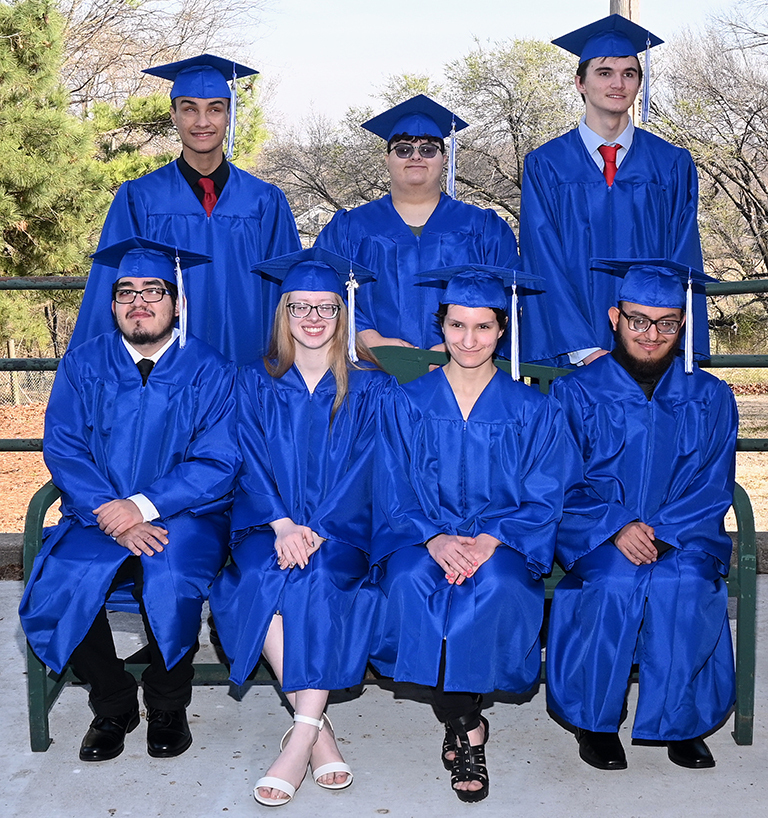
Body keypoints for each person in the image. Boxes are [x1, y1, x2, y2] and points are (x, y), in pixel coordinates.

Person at [19, 238, 241, 762]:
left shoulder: (210, 369)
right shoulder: (83, 363)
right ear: (112, 303)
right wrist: (111, 511)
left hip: (183, 514)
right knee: (62, 581)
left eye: (153, 290)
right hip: (95, 512)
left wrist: (141, 507)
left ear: (178, 301)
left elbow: (218, 460)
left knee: (170, 578)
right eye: (126, 292)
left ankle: (168, 703)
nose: (139, 302)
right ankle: (113, 701)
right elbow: (65, 446)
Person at [370, 266, 569, 802]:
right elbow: (389, 483)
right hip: (421, 535)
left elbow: (548, 491)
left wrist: (493, 538)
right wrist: (433, 537)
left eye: (483, 327)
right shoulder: (405, 402)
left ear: (503, 330)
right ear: (442, 327)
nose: (469, 340)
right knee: (412, 579)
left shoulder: (532, 408)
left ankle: (460, 724)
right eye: (457, 326)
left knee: (496, 586)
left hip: (504, 540)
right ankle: (468, 725)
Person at [209, 249, 395, 807]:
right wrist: (284, 523)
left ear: (344, 315)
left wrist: (317, 528)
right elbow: (243, 458)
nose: (313, 319)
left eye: (326, 308)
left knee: (315, 582)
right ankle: (317, 730)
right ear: (283, 315)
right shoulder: (252, 382)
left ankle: (298, 742)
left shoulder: (372, 389)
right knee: (257, 581)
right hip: (267, 525)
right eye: (300, 308)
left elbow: (369, 467)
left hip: (341, 531)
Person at [547, 260, 737, 771]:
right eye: (638, 320)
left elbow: (713, 483)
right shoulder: (575, 392)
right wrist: (616, 525)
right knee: (613, 582)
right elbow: (560, 483)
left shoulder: (711, 397)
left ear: (682, 324)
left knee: (686, 583)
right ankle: (597, 722)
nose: (652, 335)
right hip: (602, 536)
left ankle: (682, 721)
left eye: (667, 322)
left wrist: (667, 532)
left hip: (685, 534)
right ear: (615, 317)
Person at [70, 54, 300, 365]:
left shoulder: (264, 201)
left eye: (215, 109)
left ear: (229, 115)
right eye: (189, 109)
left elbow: (287, 294)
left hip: (247, 369)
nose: (202, 122)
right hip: (164, 372)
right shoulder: (140, 198)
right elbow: (110, 286)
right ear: (173, 115)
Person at [519, 14, 708, 367]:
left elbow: (682, 257)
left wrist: (656, 342)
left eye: (629, 73)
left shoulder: (671, 164)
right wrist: (583, 348)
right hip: (571, 356)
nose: (618, 83)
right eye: (605, 73)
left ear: (639, 83)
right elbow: (542, 257)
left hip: (652, 353)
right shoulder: (546, 165)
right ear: (580, 83)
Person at [314, 94, 519, 351]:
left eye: (428, 149)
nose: (416, 157)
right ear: (387, 159)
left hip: (464, 371)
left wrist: (461, 344)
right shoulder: (349, 228)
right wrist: (364, 336)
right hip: (370, 368)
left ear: (444, 159)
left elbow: (509, 296)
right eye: (403, 149)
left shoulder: (484, 228)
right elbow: (322, 290)